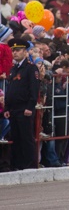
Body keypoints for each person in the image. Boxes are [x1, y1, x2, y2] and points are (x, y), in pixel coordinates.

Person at [5, 38, 39, 170]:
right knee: (16, 137)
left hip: (25, 107)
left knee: (26, 137)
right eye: (13, 51)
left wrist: (30, 107)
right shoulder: (14, 69)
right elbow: (10, 89)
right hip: (14, 108)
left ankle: (29, 164)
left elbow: (34, 89)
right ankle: (17, 164)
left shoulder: (30, 68)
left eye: (18, 50)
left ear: (25, 52)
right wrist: (7, 107)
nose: (15, 53)